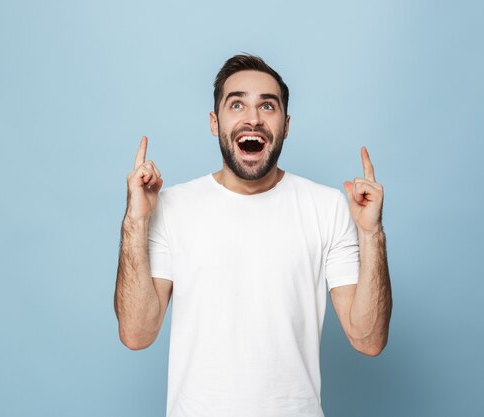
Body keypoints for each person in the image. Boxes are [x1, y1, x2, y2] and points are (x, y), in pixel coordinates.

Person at [114, 54, 392, 417]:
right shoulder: (171, 207)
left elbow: (369, 339)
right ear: (215, 123)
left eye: (267, 105)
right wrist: (135, 220)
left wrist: (372, 233)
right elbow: (137, 334)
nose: (253, 118)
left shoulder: (328, 207)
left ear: (286, 124)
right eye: (236, 104)